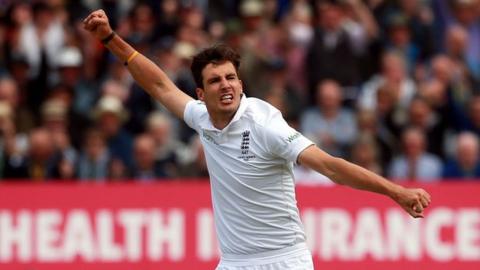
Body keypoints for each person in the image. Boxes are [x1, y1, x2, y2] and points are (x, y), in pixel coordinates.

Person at [83, 10, 432, 270]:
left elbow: (330, 166)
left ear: (241, 84)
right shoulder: (202, 118)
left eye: (231, 78)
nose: (227, 85)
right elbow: (159, 84)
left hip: (284, 261)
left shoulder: (265, 124)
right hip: (234, 262)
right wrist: (110, 38)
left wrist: (395, 191)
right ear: (201, 94)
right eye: (216, 80)